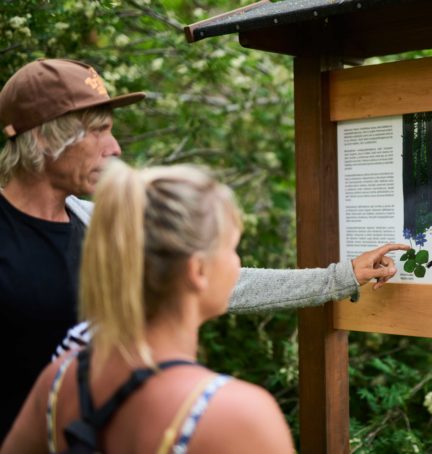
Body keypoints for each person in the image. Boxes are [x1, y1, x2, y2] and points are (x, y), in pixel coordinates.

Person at [0, 58, 409, 441]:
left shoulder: (101, 223)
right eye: (97, 129)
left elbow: (221, 281)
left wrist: (341, 277)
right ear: (43, 135)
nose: (115, 147)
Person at [2, 159, 296, 453]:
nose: (237, 263)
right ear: (198, 271)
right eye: (231, 248)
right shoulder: (237, 416)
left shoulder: (60, 379)